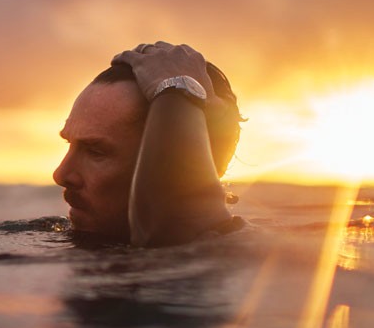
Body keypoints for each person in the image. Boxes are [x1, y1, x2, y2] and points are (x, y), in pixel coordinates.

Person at [53, 41, 244, 247]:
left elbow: (171, 229)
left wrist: (177, 88)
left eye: (96, 152)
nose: (61, 174)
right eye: (69, 143)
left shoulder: (248, 254)